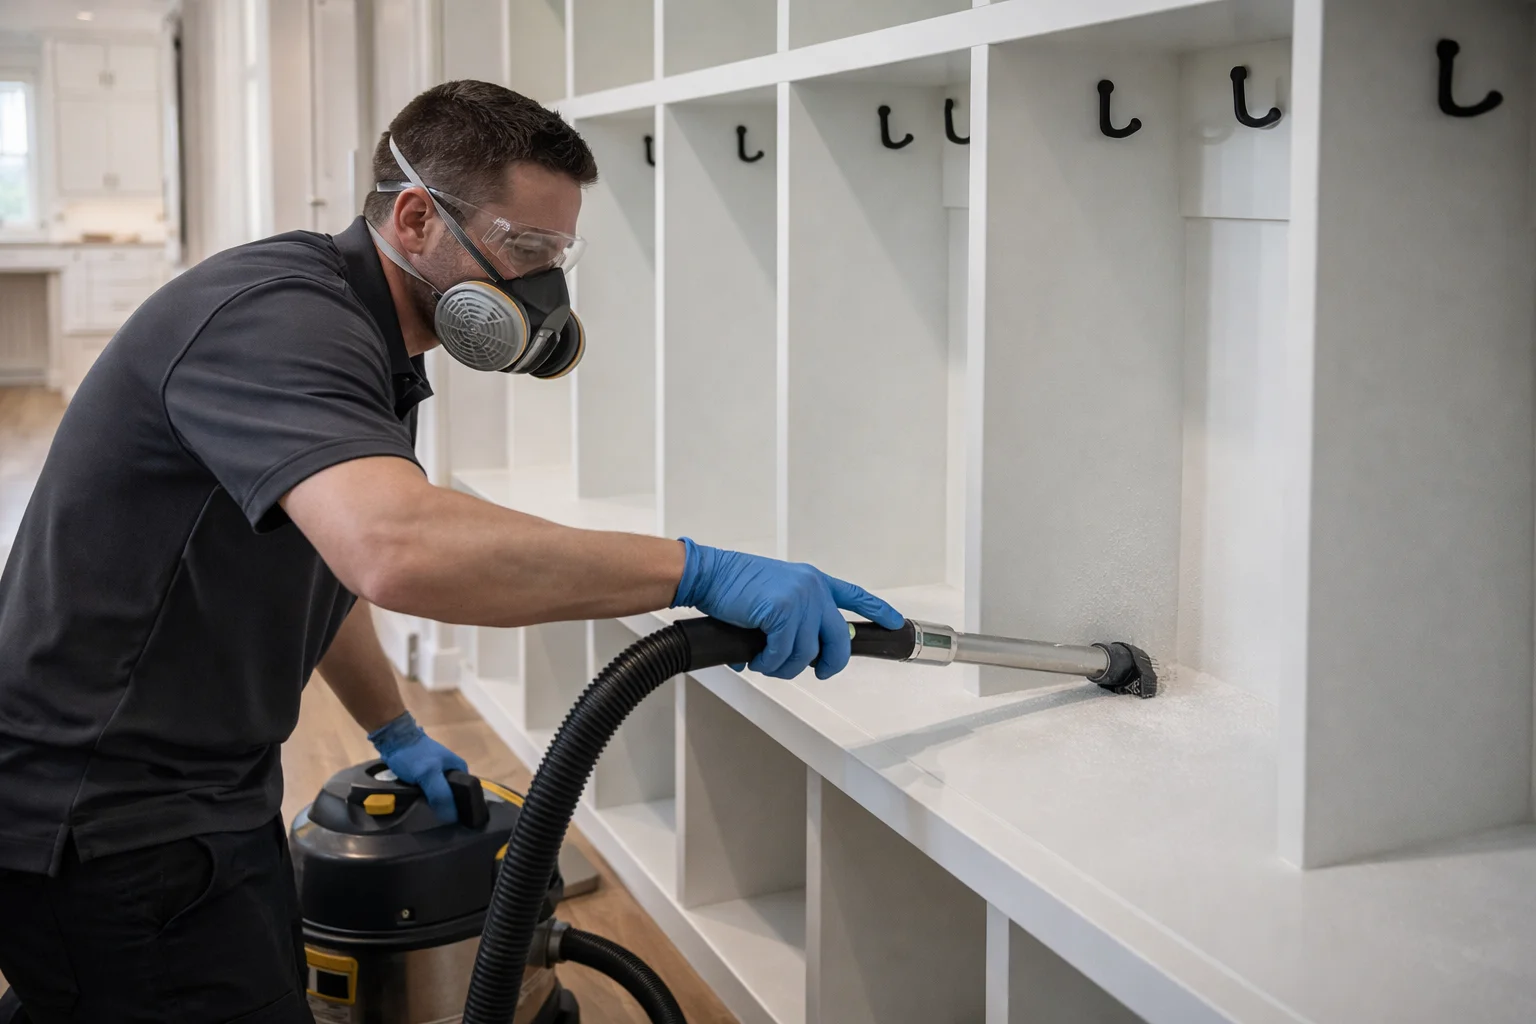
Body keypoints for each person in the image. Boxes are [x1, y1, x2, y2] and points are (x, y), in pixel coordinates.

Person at [0, 80, 902, 1023]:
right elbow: (394, 548)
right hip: (99, 815)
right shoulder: (280, 323)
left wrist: (391, 726)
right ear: (418, 218)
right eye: (524, 248)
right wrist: (699, 571)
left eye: (559, 254)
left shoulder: (363, 338)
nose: (542, 287)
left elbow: (320, 564)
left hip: (198, 793)